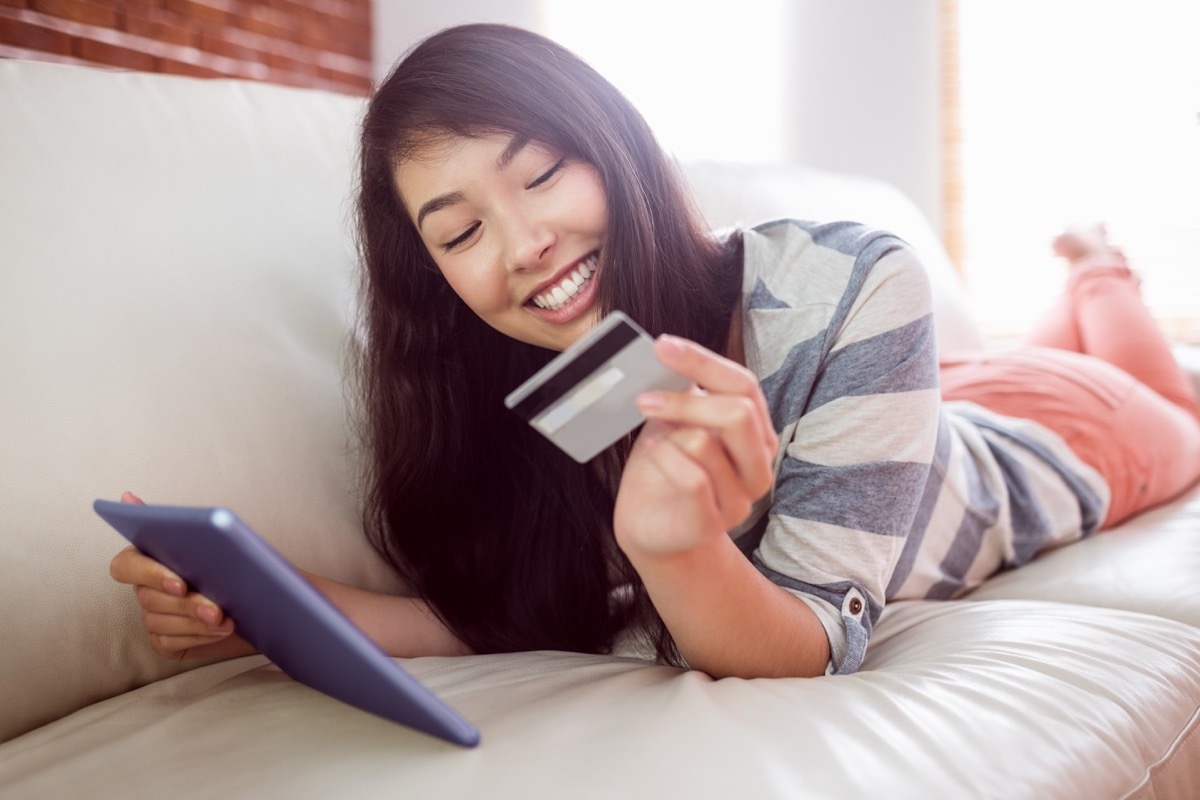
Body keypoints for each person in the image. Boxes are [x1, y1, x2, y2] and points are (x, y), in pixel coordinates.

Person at [109, 24, 1200, 680]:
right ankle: (1079, 291)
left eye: (540, 175)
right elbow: (510, 610)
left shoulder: (861, 276)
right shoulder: (525, 383)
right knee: (994, 371)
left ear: (615, 148)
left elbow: (815, 636)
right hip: (909, 406)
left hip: (1059, 436)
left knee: (1156, 386)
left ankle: (1098, 266)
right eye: (460, 232)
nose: (524, 246)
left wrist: (680, 552)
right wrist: (277, 602)